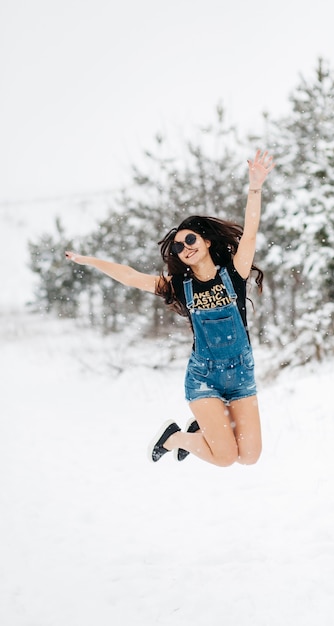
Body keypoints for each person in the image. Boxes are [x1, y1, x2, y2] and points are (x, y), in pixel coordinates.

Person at [66, 149, 275, 467]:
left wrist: (255, 186)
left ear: (205, 241)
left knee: (249, 456)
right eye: (178, 246)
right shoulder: (180, 285)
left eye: (190, 240)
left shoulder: (234, 273)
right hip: (203, 376)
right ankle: (174, 437)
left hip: (241, 373)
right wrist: (87, 260)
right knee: (224, 457)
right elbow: (130, 276)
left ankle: (198, 431)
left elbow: (251, 230)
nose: (184, 248)